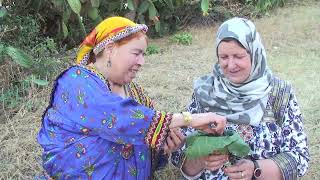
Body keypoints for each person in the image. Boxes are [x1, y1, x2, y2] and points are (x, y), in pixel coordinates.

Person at [37, 16, 226, 179]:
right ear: (110, 49)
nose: (141, 62)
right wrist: (189, 119)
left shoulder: (135, 92)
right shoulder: (76, 82)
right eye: (136, 53)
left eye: (143, 55)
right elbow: (120, 118)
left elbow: (150, 127)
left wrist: (168, 141)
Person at [172, 17, 309, 180]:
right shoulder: (206, 92)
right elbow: (178, 155)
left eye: (238, 56)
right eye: (223, 57)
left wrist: (256, 169)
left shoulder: (279, 93)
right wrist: (200, 159)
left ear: (255, 53)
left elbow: (299, 158)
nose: (230, 65)